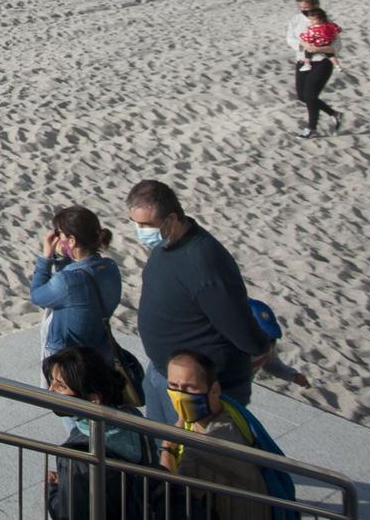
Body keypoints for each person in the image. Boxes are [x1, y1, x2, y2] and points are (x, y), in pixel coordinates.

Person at [125, 181, 273, 429]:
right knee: (162, 451)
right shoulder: (168, 242)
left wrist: (261, 346)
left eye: (147, 225)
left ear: (171, 219)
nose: (141, 231)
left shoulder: (205, 263)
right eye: (136, 224)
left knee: (189, 461)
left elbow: (242, 330)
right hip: (162, 372)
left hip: (196, 388)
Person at [162, 349, 293, 520]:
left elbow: (169, 499)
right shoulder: (227, 409)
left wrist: (167, 448)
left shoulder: (210, 445)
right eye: (174, 386)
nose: (180, 395)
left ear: (214, 390)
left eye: (190, 388)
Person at [41, 346, 166, 520]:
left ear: (93, 399)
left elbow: (70, 514)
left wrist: (53, 490)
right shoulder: (132, 420)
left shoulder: (78, 455)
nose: (50, 390)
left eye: (61, 386)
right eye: (51, 381)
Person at [30, 207, 126, 365]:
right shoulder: (110, 267)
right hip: (99, 350)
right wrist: (63, 258)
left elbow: (37, 296)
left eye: (59, 233)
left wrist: (46, 257)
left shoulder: (67, 281)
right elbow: (76, 285)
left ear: (72, 240)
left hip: (66, 358)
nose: (57, 237)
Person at [294, 5, 343, 138]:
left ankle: (312, 129)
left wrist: (317, 48)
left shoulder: (328, 26)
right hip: (302, 61)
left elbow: (336, 47)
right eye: (301, 8)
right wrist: (303, 43)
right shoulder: (297, 21)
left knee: (310, 96)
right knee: (302, 96)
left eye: (306, 8)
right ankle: (334, 114)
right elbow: (292, 38)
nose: (303, 10)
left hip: (322, 62)